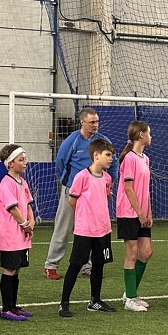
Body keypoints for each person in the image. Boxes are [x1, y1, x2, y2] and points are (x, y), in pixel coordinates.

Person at [45, 107, 118, 280]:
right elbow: (60, 162)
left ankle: (88, 266)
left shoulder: (103, 141)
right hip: (73, 190)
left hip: (95, 193)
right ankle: (51, 265)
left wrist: (109, 185)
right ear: (82, 122)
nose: (95, 125)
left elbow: (113, 162)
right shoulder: (72, 140)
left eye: (97, 121)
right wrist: (69, 183)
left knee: (93, 229)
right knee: (63, 227)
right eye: (92, 122)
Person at [58, 139, 117, 317]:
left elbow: (105, 196)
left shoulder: (107, 178)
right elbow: (72, 200)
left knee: (98, 265)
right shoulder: (82, 176)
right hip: (85, 230)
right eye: (108, 155)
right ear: (96, 155)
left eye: (112, 156)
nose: (111, 159)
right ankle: (64, 303)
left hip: (103, 229)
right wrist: (85, 217)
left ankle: (95, 300)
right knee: (75, 265)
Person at [116, 121, 153, 312]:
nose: (151, 137)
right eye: (149, 133)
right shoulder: (129, 158)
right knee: (131, 253)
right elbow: (129, 189)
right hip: (128, 212)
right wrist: (139, 213)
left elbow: (145, 189)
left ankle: (130, 292)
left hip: (142, 213)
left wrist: (148, 212)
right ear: (141, 135)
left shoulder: (145, 158)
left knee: (146, 252)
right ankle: (130, 298)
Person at [0, 144, 36, 321]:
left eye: (25, 159)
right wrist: (25, 224)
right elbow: (12, 208)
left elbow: (27, 205)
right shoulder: (6, 183)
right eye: (21, 160)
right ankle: (6, 309)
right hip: (10, 234)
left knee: (17, 269)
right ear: (10, 163)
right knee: (9, 269)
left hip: (22, 234)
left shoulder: (23, 182)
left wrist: (31, 222)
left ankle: (13, 306)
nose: (25, 162)